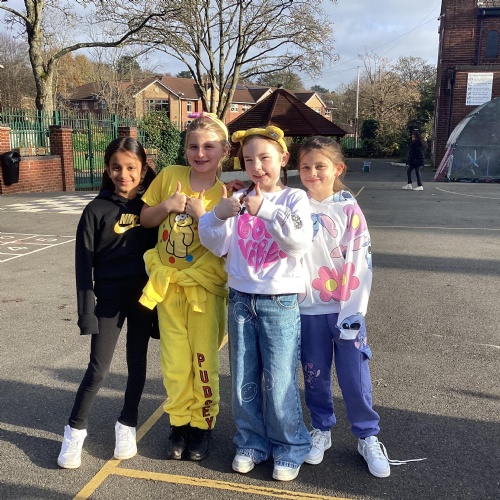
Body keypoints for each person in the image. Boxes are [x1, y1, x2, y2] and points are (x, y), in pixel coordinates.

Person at [198, 126, 313, 482]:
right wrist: (218, 214)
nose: (257, 166)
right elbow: (215, 243)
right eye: (249, 160)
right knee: (243, 377)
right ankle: (250, 442)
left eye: (265, 158)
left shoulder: (294, 199)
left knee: (279, 378)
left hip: (279, 301)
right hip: (240, 299)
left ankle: (290, 445)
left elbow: (298, 242)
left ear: (283, 158)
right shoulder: (238, 196)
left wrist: (264, 210)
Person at [138, 112, 237, 462]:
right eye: (193, 146)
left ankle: (202, 424)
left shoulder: (225, 194)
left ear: (224, 151)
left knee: (203, 360)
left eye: (209, 146)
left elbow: (225, 248)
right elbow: (145, 219)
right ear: (185, 150)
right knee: (175, 362)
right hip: (169, 288)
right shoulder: (169, 177)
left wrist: (202, 215)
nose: (200, 153)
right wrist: (168, 205)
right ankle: (179, 422)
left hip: (204, 291)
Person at [57, 137, 159, 469]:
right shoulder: (95, 210)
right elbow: (82, 267)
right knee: (98, 369)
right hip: (109, 301)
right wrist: (86, 312)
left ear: (143, 169)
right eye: (116, 167)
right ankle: (74, 431)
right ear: (107, 168)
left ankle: (127, 424)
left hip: (144, 300)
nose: (123, 174)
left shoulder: (150, 209)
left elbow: (166, 256)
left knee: (137, 364)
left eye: (131, 167)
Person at [298, 135, 390, 477]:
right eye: (305, 167)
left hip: (345, 311)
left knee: (355, 375)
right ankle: (321, 428)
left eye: (319, 166)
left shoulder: (349, 209)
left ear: (338, 169)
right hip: (308, 310)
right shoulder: (295, 205)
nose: (312, 173)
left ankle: (367, 435)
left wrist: (353, 312)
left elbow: (360, 262)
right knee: (315, 375)